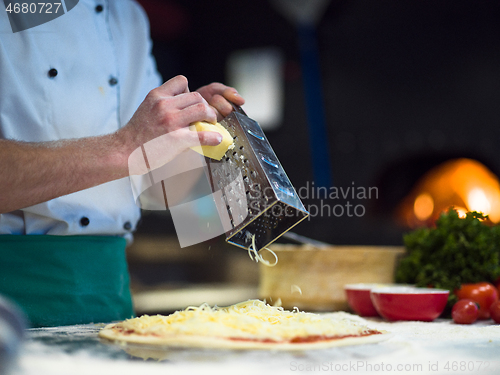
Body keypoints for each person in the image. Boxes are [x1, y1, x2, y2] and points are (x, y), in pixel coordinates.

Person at [0, 0, 244, 327]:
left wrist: (190, 134)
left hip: (109, 295)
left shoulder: (127, 15)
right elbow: (132, 148)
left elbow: (164, 189)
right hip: (13, 295)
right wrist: (126, 145)